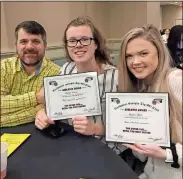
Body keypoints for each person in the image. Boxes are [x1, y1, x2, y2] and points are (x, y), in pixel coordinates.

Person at [35, 16, 121, 153]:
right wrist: (43, 112)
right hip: (71, 143)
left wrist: (95, 129)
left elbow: (126, 127)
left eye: (85, 39)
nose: (78, 45)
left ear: (96, 44)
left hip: (106, 149)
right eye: (72, 41)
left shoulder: (116, 78)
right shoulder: (66, 70)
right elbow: (54, 105)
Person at [118, 24, 182, 179]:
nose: (135, 61)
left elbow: (162, 153)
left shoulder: (176, 81)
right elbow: (143, 156)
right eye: (129, 56)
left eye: (143, 53)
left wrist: (167, 153)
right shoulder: (140, 88)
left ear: (159, 52)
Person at [1, 21, 61, 127]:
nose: (29, 47)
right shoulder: (3, 68)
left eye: (36, 41)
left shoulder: (56, 74)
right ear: (16, 45)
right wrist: (36, 99)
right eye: (23, 41)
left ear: (45, 45)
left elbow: (55, 110)